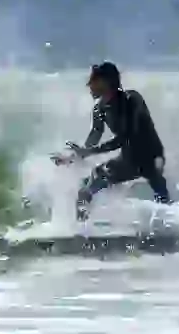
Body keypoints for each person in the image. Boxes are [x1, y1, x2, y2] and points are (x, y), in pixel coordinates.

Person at [52, 62, 171, 220]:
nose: (89, 86)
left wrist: (88, 152)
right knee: (85, 189)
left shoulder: (132, 100)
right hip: (129, 159)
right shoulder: (99, 109)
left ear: (105, 82)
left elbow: (123, 138)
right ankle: (82, 230)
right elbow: (95, 134)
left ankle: (172, 225)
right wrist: (76, 156)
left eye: (93, 81)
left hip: (150, 157)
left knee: (160, 192)